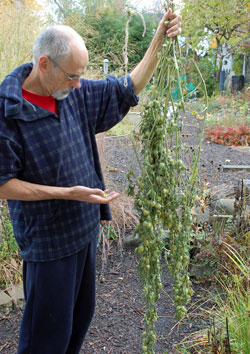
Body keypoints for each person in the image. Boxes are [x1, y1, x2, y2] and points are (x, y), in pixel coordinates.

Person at [0, 8, 181, 354]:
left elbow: (127, 87)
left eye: (81, 75)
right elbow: (3, 182)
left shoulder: (73, 93)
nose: (79, 83)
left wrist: (159, 38)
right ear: (44, 64)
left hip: (85, 233)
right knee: (45, 339)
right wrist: (66, 193)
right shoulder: (8, 111)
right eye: (72, 75)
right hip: (49, 246)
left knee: (78, 323)